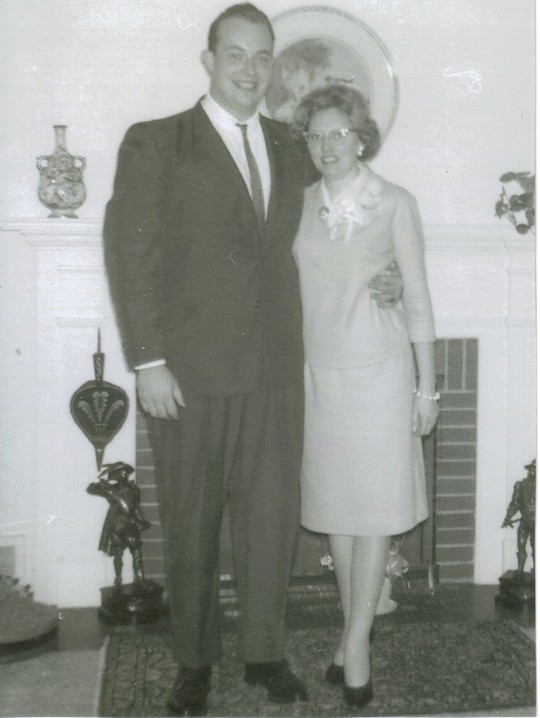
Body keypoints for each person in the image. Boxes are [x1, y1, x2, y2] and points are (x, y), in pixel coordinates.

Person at [103, 6, 401, 715]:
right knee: (193, 523)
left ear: (273, 65)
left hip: (276, 372)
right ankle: (194, 663)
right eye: (235, 54)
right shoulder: (157, 142)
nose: (249, 68)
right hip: (189, 376)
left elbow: (341, 222)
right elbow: (130, 253)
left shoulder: (294, 147)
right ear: (210, 61)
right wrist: (147, 361)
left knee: (270, 521)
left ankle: (265, 653)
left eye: (262, 56)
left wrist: (384, 272)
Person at [291, 84, 439, 710]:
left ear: (361, 139)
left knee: (374, 512)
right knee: (336, 512)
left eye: (339, 133)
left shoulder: (394, 203)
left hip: (381, 373)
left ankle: (355, 644)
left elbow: (419, 300)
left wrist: (427, 386)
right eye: (316, 135)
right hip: (320, 377)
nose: (327, 146)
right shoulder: (297, 204)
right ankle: (353, 634)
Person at [87, 462, 151, 590]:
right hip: (119, 527)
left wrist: (142, 521)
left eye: (125, 472)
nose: (125, 474)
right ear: (116, 475)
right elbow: (90, 489)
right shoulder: (111, 490)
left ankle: (139, 581)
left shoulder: (132, 490)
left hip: (128, 527)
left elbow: (135, 508)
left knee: (135, 555)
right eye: (122, 472)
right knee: (120, 554)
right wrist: (101, 484)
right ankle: (119, 579)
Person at [502, 459, 535, 572]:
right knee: (521, 544)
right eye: (532, 469)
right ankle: (519, 569)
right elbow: (515, 504)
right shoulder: (521, 485)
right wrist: (508, 517)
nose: (533, 471)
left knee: (536, 545)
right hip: (525, 520)